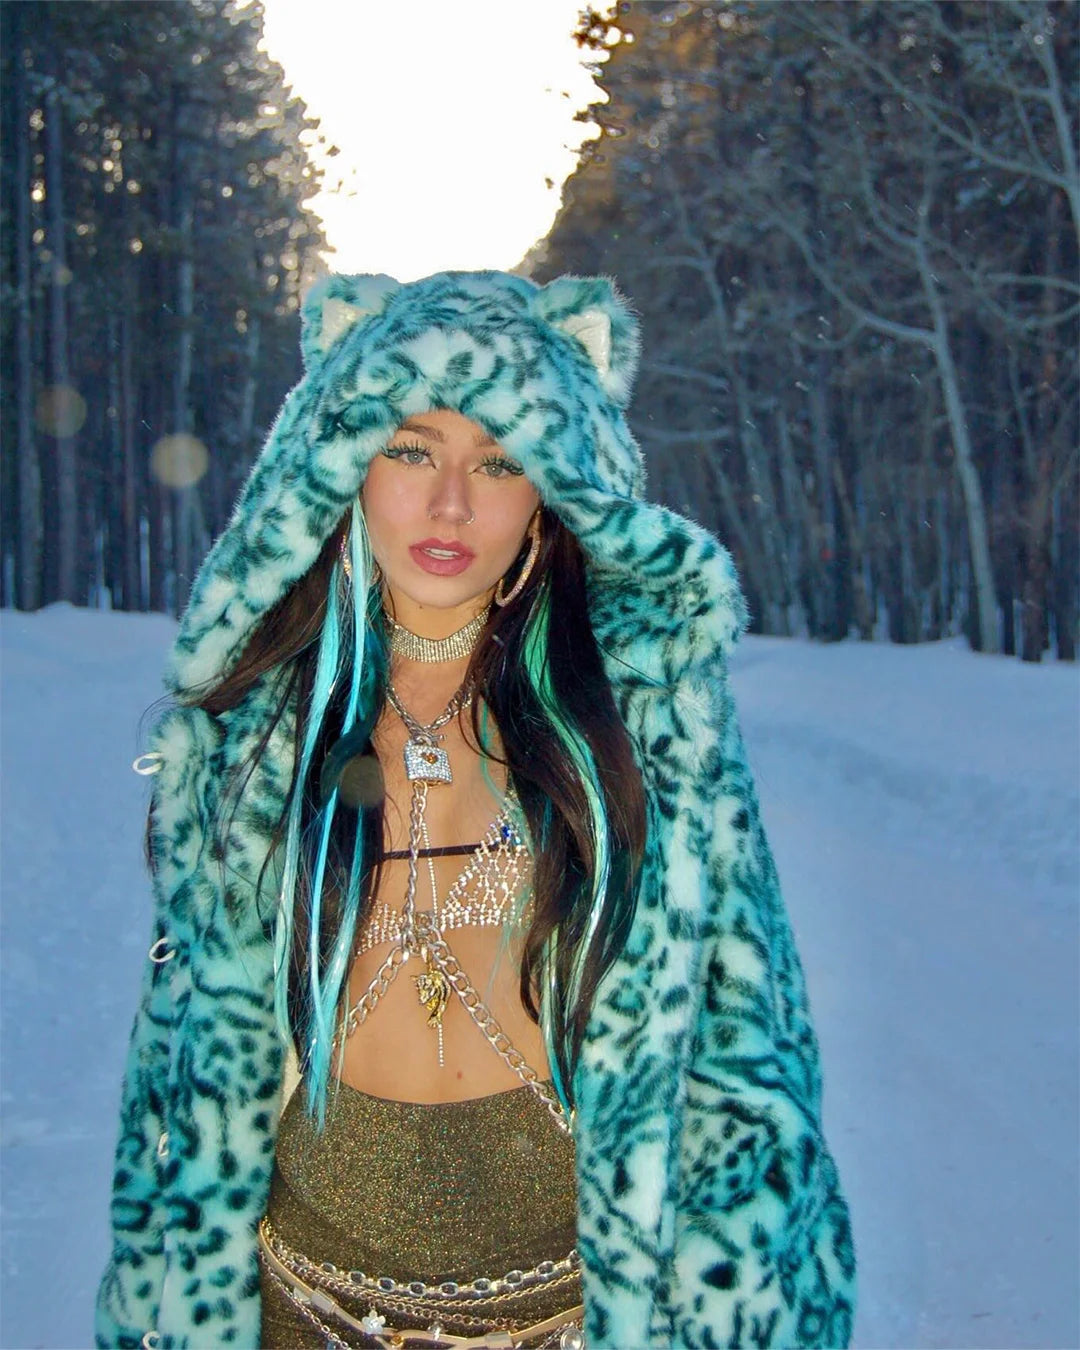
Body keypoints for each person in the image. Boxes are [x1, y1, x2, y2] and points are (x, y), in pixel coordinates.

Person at [95, 270, 856, 1350]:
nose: (449, 503)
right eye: (411, 450)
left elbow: (749, 1063)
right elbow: (180, 1097)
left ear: (552, 490)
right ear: (343, 466)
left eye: (497, 461)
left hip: (565, 1321)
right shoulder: (255, 736)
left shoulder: (640, 731)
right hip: (294, 1313)